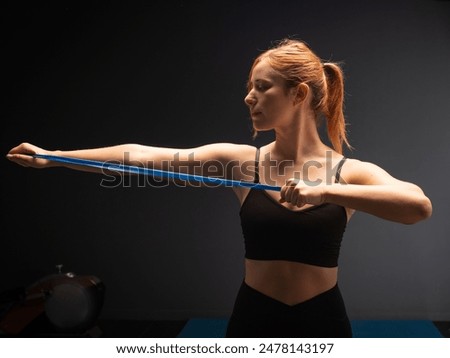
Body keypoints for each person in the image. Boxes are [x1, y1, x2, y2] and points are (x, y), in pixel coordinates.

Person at [6, 39, 432, 338]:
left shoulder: (347, 171)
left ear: (299, 93)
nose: (249, 97)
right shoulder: (241, 161)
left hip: (322, 320)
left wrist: (325, 193)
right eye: (250, 87)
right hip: (253, 317)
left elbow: (417, 206)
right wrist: (56, 155)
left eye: (261, 87)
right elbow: (139, 155)